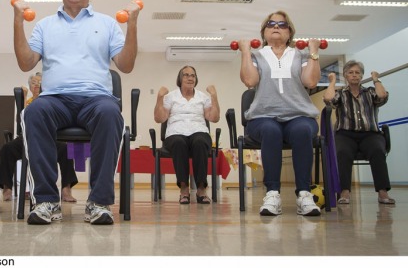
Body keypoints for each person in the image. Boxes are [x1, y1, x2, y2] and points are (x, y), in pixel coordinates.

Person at [12, 0, 139, 225]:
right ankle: (46, 201)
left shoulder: (107, 23)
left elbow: (125, 65)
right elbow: (26, 63)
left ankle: (99, 203)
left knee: (111, 113)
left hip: (95, 99)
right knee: (32, 112)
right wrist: (17, 20)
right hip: (55, 99)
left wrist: (133, 25)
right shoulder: (45, 25)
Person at [239, 11, 321, 216]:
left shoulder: (300, 54)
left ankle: (304, 194)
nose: (276, 26)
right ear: (264, 31)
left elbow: (310, 82)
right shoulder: (258, 55)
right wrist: (245, 53)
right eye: (271, 23)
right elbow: (249, 81)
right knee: (271, 131)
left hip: (298, 115)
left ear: (290, 31)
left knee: (303, 130)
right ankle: (272, 193)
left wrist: (313, 52)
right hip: (262, 117)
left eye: (282, 24)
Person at [0, 73, 78, 202]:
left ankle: (66, 189)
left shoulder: (53, 101)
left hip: (51, 138)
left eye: (40, 83)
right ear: (29, 86)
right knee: (7, 148)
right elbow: (21, 120)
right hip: (27, 138)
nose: (37, 85)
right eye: (34, 83)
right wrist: (22, 99)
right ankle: (7, 188)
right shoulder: (28, 102)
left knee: (67, 149)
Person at [323, 61, 394, 204]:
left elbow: (382, 95)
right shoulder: (341, 94)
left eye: (357, 73)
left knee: (377, 151)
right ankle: (344, 192)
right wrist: (332, 82)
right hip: (345, 134)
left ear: (361, 76)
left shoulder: (370, 92)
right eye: (351, 72)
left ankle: (382, 192)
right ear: (345, 76)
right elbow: (328, 99)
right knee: (342, 152)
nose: (354, 75)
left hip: (370, 134)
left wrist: (375, 79)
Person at [153, 65, 220, 204]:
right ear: (180, 78)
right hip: (176, 132)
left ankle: (201, 188)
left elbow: (214, 118)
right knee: (179, 142)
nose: (190, 78)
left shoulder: (203, 97)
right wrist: (159, 97)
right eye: (186, 75)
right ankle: (184, 188)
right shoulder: (170, 96)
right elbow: (160, 118)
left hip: (199, 131)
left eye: (193, 75)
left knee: (200, 141)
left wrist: (214, 96)